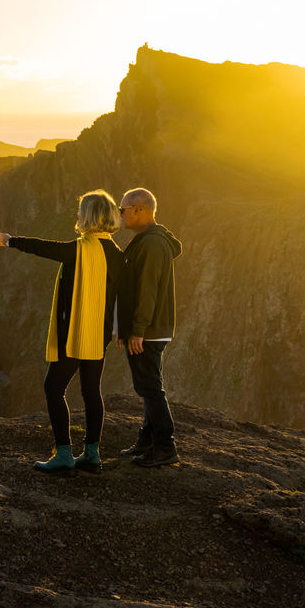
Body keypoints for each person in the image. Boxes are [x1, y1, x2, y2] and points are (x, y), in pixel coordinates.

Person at [0, 190, 123, 475]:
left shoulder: (79, 249)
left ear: (89, 216)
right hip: (98, 335)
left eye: (80, 212)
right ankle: (92, 454)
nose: (77, 216)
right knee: (91, 392)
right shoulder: (116, 255)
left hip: (73, 334)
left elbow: (43, 247)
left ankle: (63, 454)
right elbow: (123, 297)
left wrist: (9, 240)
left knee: (53, 388)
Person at [115, 187, 183, 467]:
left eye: (123, 210)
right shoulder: (148, 240)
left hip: (149, 331)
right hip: (148, 329)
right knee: (146, 386)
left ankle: (165, 447)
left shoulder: (152, 244)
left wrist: (138, 329)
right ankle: (147, 441)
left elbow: (147, 290)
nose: (120, 215)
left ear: (140, 210)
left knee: (150, 387)